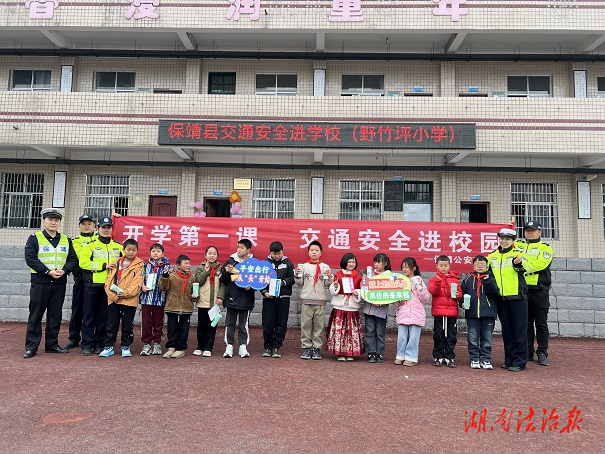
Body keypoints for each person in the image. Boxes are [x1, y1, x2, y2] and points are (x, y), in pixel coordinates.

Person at [23, 208, 78, 358]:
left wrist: (64, 270)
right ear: (44, 221)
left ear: (59, 222)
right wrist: (47, 271)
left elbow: (73, 259)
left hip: (59, 283)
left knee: (55, 316)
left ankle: (52, 345)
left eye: (56, 220)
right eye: (50, 220)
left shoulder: (66, 239)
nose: (53, 222)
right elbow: (30, 258)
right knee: (35, 316)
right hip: (41, 282)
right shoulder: (34, 238)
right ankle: (31, 347)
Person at [78, 216, 124, 356]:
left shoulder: (118, 246)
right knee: (89, 316)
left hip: (110, 287)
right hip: (92, 285)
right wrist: (103, 266)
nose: (106, 230)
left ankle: (100, 343)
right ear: (98, 229)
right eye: (103, 227)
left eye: (108, 227)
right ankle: (86, 344)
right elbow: (83, 263)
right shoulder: (90, 245)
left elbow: (126, 262)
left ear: (112, 229)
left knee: (104, 317)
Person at [488, 227, 530, 372]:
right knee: (507, 330)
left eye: (507, 239)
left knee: (520, 330)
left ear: (513, 241)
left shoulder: (519, 254)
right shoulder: (492, 256)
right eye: (502, 238)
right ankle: (509, 358)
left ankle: (520, 360)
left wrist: (518, 264)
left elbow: (525, 269)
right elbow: (488, 274)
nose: (504, 241)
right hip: (501, 299)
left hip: (518, 297)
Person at [515, 220, 554, 366]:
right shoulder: (517, 245)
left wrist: (521, 267)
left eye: (532, 230)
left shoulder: (545, 248)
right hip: (522, 289)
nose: (529, 233)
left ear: (540, 232)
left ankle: (542, 352)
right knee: (526, 323)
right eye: (527, 230)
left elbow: (540, 265)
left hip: (539, 290)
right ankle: (528, 351)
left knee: (541, 323)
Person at [99, 239, 144, 358]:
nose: (131, 252)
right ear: (123, 250)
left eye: (134, 250)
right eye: (129, 249)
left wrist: (125, 293)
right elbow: (108, 280)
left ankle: (125, 346)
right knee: (111, 324)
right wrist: (112, 295)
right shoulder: (115, 263)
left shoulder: (140, 265)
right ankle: (108, 346)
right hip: (114, 299)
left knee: (127, 325)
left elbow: (137, 283)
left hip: (129, 300)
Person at [63, 214, 97, 350]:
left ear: (94, 225)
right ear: (79, 226)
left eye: (89, 223)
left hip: (97, 280)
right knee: (77, 310)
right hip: (81, 280)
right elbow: (72, 259)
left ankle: (94, 339)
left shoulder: (100, 240)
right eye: (84, 224)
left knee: (95, 312)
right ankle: (74, 338)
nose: (87, 226)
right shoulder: (74, 242)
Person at [295, 240, 333, 360]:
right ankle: (306, 348)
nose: (314, 252)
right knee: (305, 326)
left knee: (319, 327)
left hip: (320, 301)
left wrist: (330, 276)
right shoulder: (304, 266)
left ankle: (317, 348)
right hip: (306, 300)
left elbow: (327, 283)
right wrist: (297, 275)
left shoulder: (325, 267)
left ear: (321, 253)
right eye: (311, 250)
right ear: (308, 252)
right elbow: (299, 283)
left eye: (317, 250)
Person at [459, 255, 500, 370]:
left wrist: (487, 281)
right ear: (473, 266)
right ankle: (474, 359)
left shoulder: (492, 278)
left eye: (482, 264)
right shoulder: (467, 280)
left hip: (488, 313)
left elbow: (495, 293)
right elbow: (462, 294)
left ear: (487, 266)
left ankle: (486, 359)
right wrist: (462, 303)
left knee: (487, 338)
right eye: (477, 264)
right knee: (472, 337)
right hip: (472, 314)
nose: (480, 266)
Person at [323, 253, 364, 361]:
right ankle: (340, 353)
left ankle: (350, 353)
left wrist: (358, 293)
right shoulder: (338, 275)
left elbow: (362, 290)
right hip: (340, 307)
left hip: (352, 307)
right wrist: (335, 286)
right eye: (349, 262)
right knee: (339, 331)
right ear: (344, 262)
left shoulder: (359, 276)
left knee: (351, 332)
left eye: (353, 262)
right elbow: (333, 290)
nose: (351, 264)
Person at [220, 239, 256, 358]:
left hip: (246, 299)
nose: (239, 249)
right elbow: (223, 279)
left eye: (242, 247)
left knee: (243, 325)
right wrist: (226, 272)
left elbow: (258, 281)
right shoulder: (231, 261)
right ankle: (229, 346)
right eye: (238, 247)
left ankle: (243, 346)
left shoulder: (253, 264)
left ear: (248, 250)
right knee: (229, 323)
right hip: (232, 298)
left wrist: (251, 287)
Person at [159, 254, 198, 359]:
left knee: (184, 329)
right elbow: (164, 288)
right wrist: (165, 276)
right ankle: (171, 347)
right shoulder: (172, 276)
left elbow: (195, 292)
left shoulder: (193, 277)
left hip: (186, 308)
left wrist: (195, 297)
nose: (188, 265)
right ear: (178, 265)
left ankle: (181, 348)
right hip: (172, 306)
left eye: (189, 263)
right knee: (172, 328)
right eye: (186, 263)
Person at [260, 241, 295, 358]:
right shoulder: (265, 263)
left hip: (283, 298)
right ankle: (267, 347)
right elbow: (260, 279)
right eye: (274, 254)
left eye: (279, 253)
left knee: (281, 323)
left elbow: (292, 278)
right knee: (267, 323)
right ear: (270, 252)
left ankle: (276, 347)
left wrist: (282, 283)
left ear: (282, 251)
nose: (277, 256)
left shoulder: (288, 263)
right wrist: (264, 292)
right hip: (269, 299)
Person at [394, 257, 430, 366]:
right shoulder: (400, 281)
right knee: (402, 337)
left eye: (407, 267)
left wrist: (419, 287)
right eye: (403, 267)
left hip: (416, 313)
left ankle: (411, 357)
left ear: (413, 268)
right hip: (403, 313)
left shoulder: (418, 280)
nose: (404, 269)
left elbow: (425, 298)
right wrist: (398, 301)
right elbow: (395, 298)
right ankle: (400, 355)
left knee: (413, 337)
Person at [428, 255, 462, 368]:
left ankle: (449, 356)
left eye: (445, 265)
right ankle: (438, 356)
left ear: (449, 266)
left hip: (452, 313)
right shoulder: (434, 279)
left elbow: (459, 295)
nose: (443, 268)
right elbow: (433, 292)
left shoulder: (455, 279)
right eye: (441, 265)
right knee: (438, 335)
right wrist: (438, 282)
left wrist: (458, 295)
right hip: (439, 313)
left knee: (451, 336)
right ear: (436, 266)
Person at [193, 245, 225, 357]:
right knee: (201, 326)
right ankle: (199, 347)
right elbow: (198, 281)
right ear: (205, 255)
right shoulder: (200, 267)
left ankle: (208, 348)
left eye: (214, 254)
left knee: (212, 326)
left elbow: (223, 285)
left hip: (215, 303)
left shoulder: (220, 268)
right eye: (210, 253)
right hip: (203, 302)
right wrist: (206, 271)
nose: (212, 256)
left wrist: (220, 297)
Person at [139, 243, 170, 356]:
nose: (155, 253)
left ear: (163, 253)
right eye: (153, 251)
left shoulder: (167, 267)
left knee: (158, 322)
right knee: (146, 322)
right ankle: (146, 344)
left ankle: (157, 343)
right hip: (147, 298)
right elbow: (140, 278)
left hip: (160, 299)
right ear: (150, 253)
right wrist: (142, 287)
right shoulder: (145, 265)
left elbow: (170, 282)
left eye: (158, 251)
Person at [363, 253, 392, 363]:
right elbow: (364, 290)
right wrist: (365, 281)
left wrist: (381, 301)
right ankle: (371, 352)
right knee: (370, 331)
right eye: (375, 262)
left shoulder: (389, 276)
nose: (376, 264)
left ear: (385, 263)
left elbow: (391, 293)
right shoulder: (369, 274)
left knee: (380, 332)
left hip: (381, 310)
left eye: (379, 262)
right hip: (369, 308)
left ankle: (379, 352)